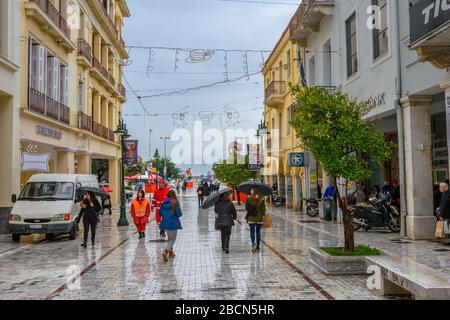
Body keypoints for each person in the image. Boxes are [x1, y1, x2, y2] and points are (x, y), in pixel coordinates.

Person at [160, 190, 183, 261]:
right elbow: (179, 214)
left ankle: (171, 253)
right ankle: (166, 251)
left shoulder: (163, 203)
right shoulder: (175, 202)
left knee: (170, 239)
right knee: (172, 239)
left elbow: (160, 213)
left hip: (165, 223)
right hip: (173, 223)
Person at [245, 187, 266, 253]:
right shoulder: (261, 198)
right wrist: (262, 212)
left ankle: (253, 243)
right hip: (259, 217)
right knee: (258, 232)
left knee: (252, 231)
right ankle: (258, 246)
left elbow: (246, 207)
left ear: (252, 192)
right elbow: (264, 210)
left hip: (251, 217)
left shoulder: (249, 198)